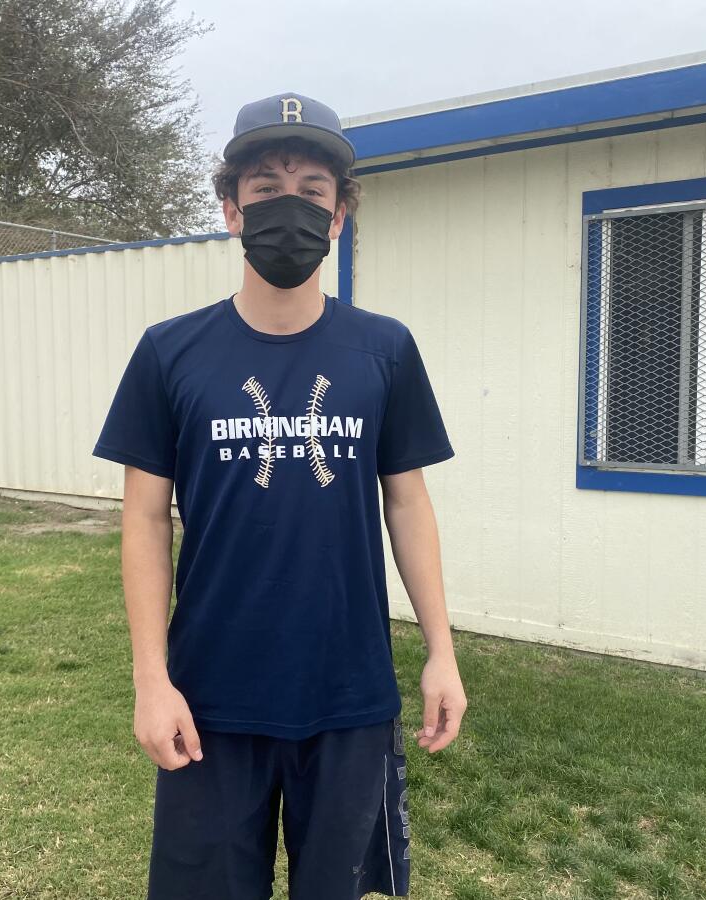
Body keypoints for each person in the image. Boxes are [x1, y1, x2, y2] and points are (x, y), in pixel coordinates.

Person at [92, 91, 467, 900]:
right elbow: (145, 521)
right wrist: (150, 679)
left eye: (311, 192)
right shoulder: (170, 353)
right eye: (265, 190)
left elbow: (407, 504)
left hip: (349, 692)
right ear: (231, 211)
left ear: (338, 219)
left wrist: (442, 651)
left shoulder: (384, 349)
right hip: (210, 697)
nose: (287, 209)